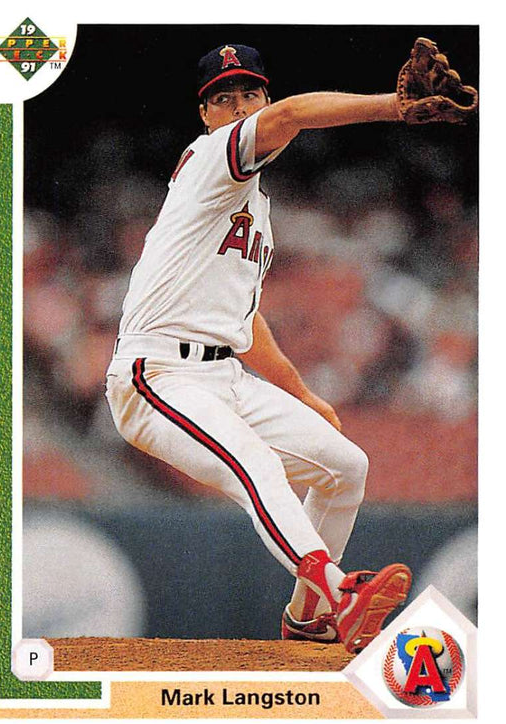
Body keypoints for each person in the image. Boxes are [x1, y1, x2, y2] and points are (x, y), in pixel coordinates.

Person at [105, 43, 411, 654]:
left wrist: (299, 392)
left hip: (224, 376)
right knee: (255, 462)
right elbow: (292, 116)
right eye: (224, 98)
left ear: (261, 97)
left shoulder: (254, 208)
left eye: (250, 93)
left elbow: (246, 320)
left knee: (346, 467)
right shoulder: (209, 158)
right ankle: (337, 592)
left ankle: (306, 619)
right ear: (206, 115)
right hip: (157, 373)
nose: (240, 106)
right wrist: (395, 107)